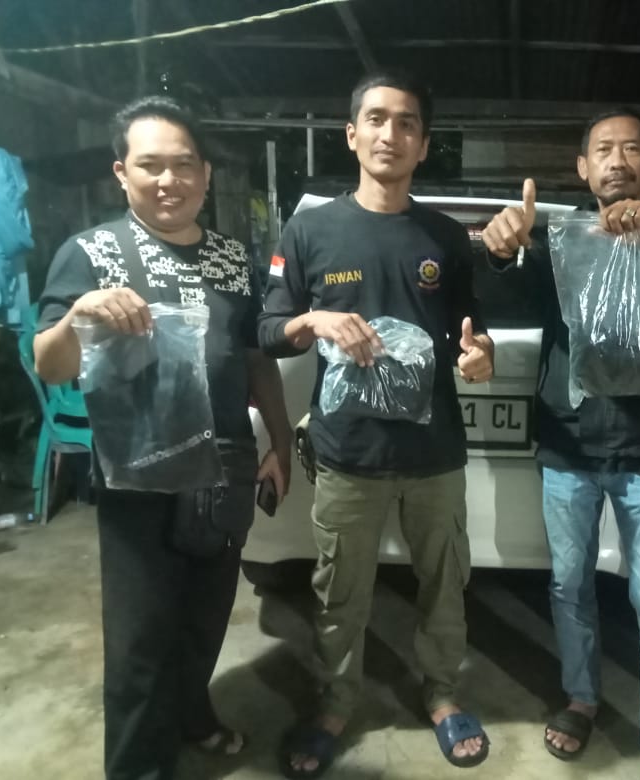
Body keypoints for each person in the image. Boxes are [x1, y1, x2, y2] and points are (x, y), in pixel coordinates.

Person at [33, 95, 292, 780]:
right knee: (140, 641)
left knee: (205, 621)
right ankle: (137, 767)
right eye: (151, 165)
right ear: (122, 172)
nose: (169, 180)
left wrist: (282, 443)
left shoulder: (232, 258)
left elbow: (255, 358)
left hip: (225, 469)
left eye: (184, 165)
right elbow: (49, 363)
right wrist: (80, 315)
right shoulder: (91, 254)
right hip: (139, 479)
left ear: (206, 174)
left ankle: (192, 716)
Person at [258, 71, 494, 777]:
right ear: (352, 134)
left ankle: (442, 693)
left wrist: (478, 357)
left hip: (433, 454)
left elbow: (471, 335)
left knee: (444, 585)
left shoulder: (445, 237)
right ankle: (336, 702)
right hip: (346, 455)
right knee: (339, 592)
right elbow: (268, 329)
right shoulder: (309, 230)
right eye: (377, 119)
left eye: (407, 123)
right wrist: (313, 319)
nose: (391, 133)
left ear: (423, 144)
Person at [481, 108, 640, 780]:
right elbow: (503, 295)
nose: (618, 160)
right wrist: (499, 250)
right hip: (568, 447)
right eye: (604, 150)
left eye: (632, 149)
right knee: (569, 585)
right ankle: (581, 698)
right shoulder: (559, 243)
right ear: (583, 168)